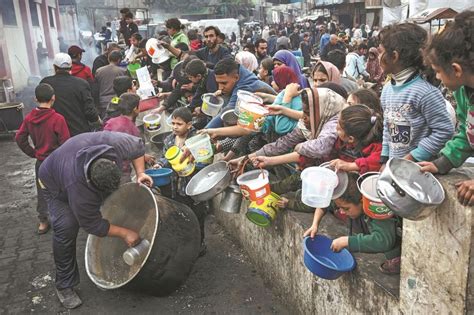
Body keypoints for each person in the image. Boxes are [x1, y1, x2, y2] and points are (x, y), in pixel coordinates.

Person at [38, 131, 152, 309]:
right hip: (53, 182)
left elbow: (138, 147)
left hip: (73, 162)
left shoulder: (115, 144)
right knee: (66, 227)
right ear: (90, 183)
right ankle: (64, 285)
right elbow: (92, 225)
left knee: (114, 203)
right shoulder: (78, 189)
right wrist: (125, 233)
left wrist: (140, 173)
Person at [378, 22, 454, 167]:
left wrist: (413, 157)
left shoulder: (425, 93)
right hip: (396, 166)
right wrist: (385, 158)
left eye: (381, 51)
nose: (378, 56)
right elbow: (388, 127)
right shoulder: (387, 90)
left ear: (394, 56)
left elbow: (444, 130)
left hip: (419, 170)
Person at [419, 10, 474, 207]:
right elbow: (467, 133)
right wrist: (442, 163)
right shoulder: (463, 92)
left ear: (456, 69)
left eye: (438, 72)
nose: (438, 78)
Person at [303, 173, 401, 274]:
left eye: (346, 208)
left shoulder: (376, 208)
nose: (341, 212)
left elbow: (383, 241)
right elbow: (323, 205)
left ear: (362, 202)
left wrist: (348, 241)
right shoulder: (345, 200)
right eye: (340, 208)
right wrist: (314, 225)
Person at [15, 83, 70, 234]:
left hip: (41, 162)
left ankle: (43, 221)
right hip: (56, 162)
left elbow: (20, 137)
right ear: (53, 98)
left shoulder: (29, 118)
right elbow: (66, 143)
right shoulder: (58, 119)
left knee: (42, 191)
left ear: (35, 99)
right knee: (61, 189)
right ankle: (64, 218)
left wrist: (33, 153)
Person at [154, 108, 207, 254]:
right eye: (173, 123)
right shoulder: (169, 139)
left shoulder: (196, 139)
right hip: (175, 186)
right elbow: (165, 157)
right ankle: (185, 245)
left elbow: (205, 160)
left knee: (197, 215)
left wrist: (192, 166)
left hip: (193, 185)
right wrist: (160, 164)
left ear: (189, 125)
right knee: (179, 215)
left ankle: (200, 244)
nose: (175, 127)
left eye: (179, 124)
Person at [40, 53, 100, 136]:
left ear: (54, 67)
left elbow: (41, 108)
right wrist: (98, 120)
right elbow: (89, 111)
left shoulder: (45, 83)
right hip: (78, 134)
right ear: (71, 67)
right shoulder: (81, 84)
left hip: (54, 134)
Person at [206, 58, 275, 128]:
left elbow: (227, 113)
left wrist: (205, 133)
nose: (220, 88)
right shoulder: (241, 75)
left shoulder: (245, 88)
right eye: (218, 83)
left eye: (224, 83)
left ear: (236, 77)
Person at [95, 50, 127, 118]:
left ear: (108, 59)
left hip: (103, 102)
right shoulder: (122, 71)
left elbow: (96, 88)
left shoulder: (98, 71)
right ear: (119, 60)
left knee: (107, 124)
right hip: (118, 101)